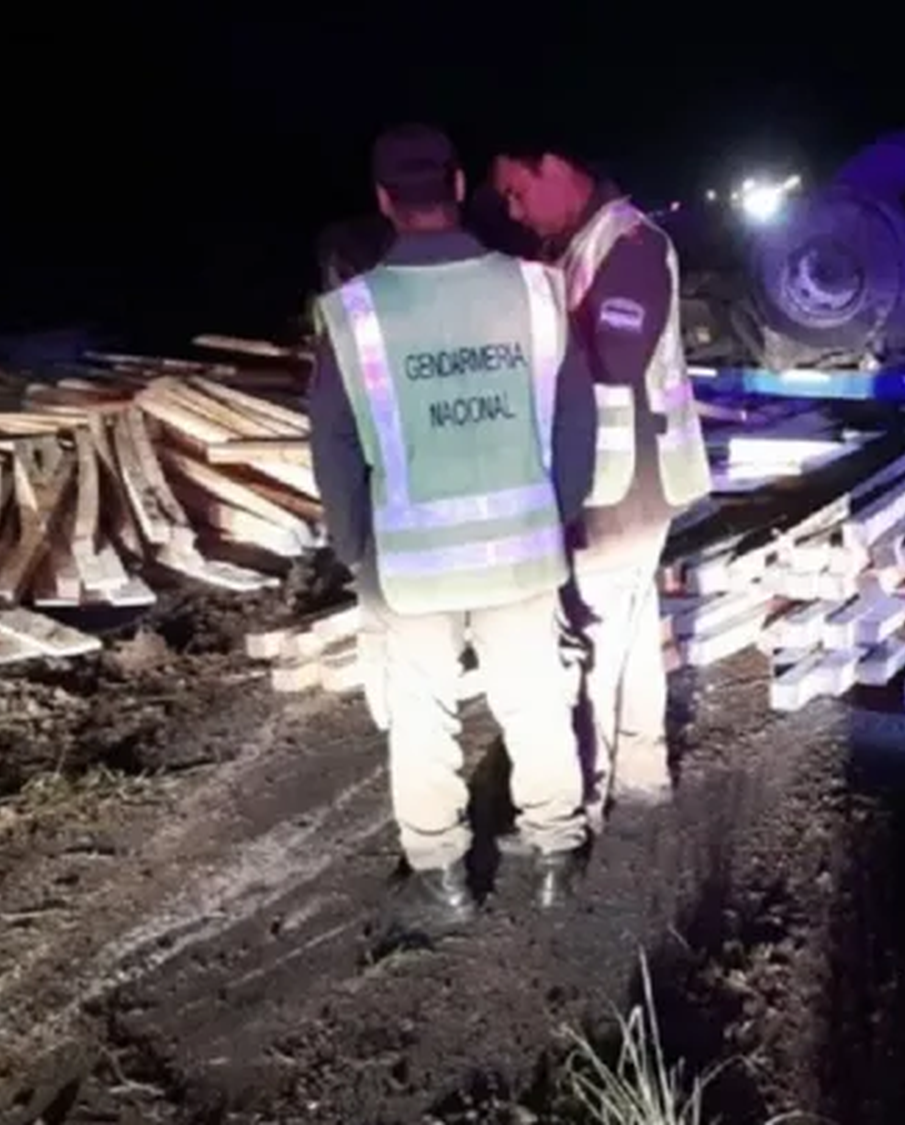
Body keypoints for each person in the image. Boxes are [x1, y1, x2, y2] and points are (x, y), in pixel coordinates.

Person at [308, 124, 597, 948]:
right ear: (461, 184)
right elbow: (576, 412)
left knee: (422, 709)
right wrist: (558, 506)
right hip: (520, 545)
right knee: (537, 696)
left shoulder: (354, 313)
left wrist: (352, 542)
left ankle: (440, 876)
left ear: (382, 201)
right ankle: (554, 856)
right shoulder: (536, 290)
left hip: (410, 560)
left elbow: (330, 439)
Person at [491, 143, 712, 827]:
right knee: (631, 629)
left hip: (622, 487)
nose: (513, 210)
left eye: (516, 191)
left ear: (554, 165)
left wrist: (528, 324)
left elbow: (615, 357)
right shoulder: (584, 244)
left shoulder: (632, 243)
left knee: (591, 644)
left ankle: (582, 803)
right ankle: (644, 774)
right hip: (626, 482)